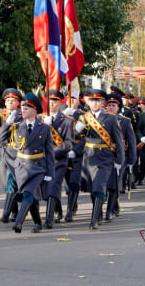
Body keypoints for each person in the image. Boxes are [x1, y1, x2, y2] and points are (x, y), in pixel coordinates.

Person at [0, 92, 55, 233]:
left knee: (28, 193)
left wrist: (50, 172)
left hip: (37, 168)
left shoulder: (44, 128)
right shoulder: (17, 126)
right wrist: (7, 123)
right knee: (28, 196)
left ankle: (18, 223)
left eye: (26, 108)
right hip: (21, 167)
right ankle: (38, 223)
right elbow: (1, 140)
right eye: (22, 108)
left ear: (35, 110)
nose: (22, 110)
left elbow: (50, 152)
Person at [74, 89, 124, 229]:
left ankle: (94, 219)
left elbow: (119, 141)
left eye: (98, 100)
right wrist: (77, 130)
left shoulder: (111, 118)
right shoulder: (84, 117)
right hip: (89, 156)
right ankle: (99, 212)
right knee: (91, 189)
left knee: (99, 187)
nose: (95, 103)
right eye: (92, 100)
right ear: (88, 102)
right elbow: (75, 137)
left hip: (105, 157)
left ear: (102, 102)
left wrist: (119, 161)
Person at [0, 88, 23, 223]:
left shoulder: (22, 115)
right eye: (8, 101)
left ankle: (8, 213)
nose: (10, 103)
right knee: (7, 184)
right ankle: (14, 211)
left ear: (18, 103)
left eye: (13, 101)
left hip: (17, 154)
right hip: (4, 153)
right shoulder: (2, 114)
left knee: (12, 182)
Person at [41, 90, 74, 228]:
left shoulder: (66, 120)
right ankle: (58, 209)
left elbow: (68, 143)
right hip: (42, 161)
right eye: (49, 101)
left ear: (60, 103)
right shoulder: (40, 119)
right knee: (46, 188)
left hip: (59, 160)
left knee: (54, 185)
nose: (52, 103)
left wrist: (52, 152)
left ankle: (48, 219)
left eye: (55, 101)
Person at [104, 93, 136, 221]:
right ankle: (114, 204)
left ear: (118, 107)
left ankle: (109, 210)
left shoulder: (125, 121)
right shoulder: (101, 119)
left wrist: (131, 161)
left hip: (120, 156)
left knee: (115, 184)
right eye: (109, 105)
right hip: (104, 156)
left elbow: (132, 142)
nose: (111, 107)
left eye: (114, 105)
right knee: (105, 184)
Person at [63, 89, 86, 222]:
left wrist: (76, 150)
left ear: (79, 100)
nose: (71, 101)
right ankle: (73, 202)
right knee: (67, 182)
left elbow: (86, 138)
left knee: (74, 182)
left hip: (78, 154)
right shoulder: (61, 114)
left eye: (74, 99)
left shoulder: (84, 115)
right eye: (69, 99)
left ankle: (69, 211)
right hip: (64, 152)